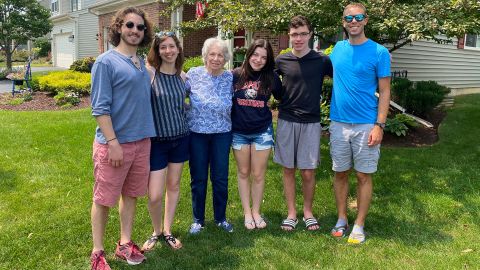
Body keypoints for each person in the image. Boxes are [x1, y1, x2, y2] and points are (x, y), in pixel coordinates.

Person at [89, 7, 154, 270]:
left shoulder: (141, 64)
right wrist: (113, 143)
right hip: (114, 144)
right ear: (119, 27)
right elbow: (99, 108)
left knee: (131, 195)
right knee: (104, 198)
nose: (135, 30)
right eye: (130, 25)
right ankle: (98, 252)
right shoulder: (106, 62)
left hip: (142, 142)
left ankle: (125, 243)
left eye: (140, 27)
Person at [329, 2, 391, 244]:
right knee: (340, 172)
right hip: (338, 124)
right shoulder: (337, 49)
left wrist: (380, 125)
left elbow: (385, 92)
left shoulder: (379, 52)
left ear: (366, 20)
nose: (353, 22)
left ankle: (359, 224)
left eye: (358, 18)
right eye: (349, 18)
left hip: (367, 124)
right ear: (344, 23)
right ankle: (342, 218)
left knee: (364, 176)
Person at [274, 15, 333, 231]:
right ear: (289, 36)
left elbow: (346, 74)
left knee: (308, 171)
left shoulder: (322, 61)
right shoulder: (282, 61)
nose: (298, 38)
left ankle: (308, 212)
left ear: (310, 35)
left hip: (311, 121)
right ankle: (291, 213)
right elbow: (263, 75)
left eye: (302, 34)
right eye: (294, 34)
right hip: (287, 120)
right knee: (288, 169)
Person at [141, 31, 188, 252]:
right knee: (155, 194)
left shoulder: (182, 76)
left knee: (174, 186)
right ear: (157, 51)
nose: (168, 51)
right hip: (157, 142)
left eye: (171, 46)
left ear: (178, 49)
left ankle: (167, 230)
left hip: (180, 138)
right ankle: (155, 230)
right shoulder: (150, 73)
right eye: (163, 47)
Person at [231, 39, 282, 230]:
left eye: (264, 57)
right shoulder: (236, 75)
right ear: (249, 54)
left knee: (258, 174)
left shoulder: (271, 78)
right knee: (244, 172)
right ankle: (246, 213)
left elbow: (283, 97)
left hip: (262, 132)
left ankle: (256, 211)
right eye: (255, 54)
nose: (258, 60)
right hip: (239, 132)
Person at [186, 37, 234, 234]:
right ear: (205, 56)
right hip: (197, 134)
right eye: (212, 54)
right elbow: (176, 94)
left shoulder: (230, 77)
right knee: (198, 178)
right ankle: (198, 219)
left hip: (222, 134)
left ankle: (220, 218)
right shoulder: (193, 74)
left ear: (225, 58)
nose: (216, 58)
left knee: (220, 177)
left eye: (220, 55)